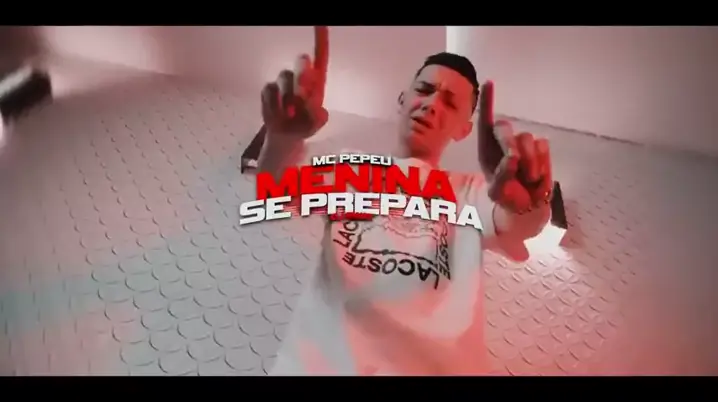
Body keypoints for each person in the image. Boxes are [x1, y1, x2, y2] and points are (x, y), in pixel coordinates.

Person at [257, 26, 553, 375]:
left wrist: (528, 202)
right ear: (402, 99)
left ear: (464, 129)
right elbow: (275, 194)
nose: (431, 104)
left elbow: (517, 223)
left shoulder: (471, 192)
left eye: (449, 102)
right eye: (424, 90)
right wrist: (282, 138)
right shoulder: (347, 168)